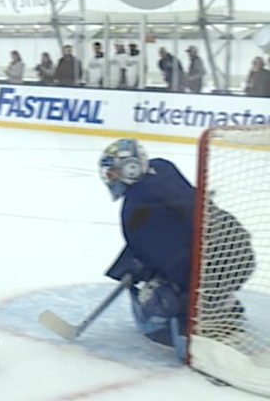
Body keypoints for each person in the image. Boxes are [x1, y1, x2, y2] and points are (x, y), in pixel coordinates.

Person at [98, 139, 253, 358]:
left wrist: (177, 294)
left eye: (113, 172)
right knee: (199, 257)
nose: (109, 178)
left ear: (130, 168)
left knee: (155, 295)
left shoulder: (133, 208)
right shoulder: (163, 166)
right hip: (242, 255)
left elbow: (166, 261)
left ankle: (194, 319)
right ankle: (223, 306)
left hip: (212, 269)